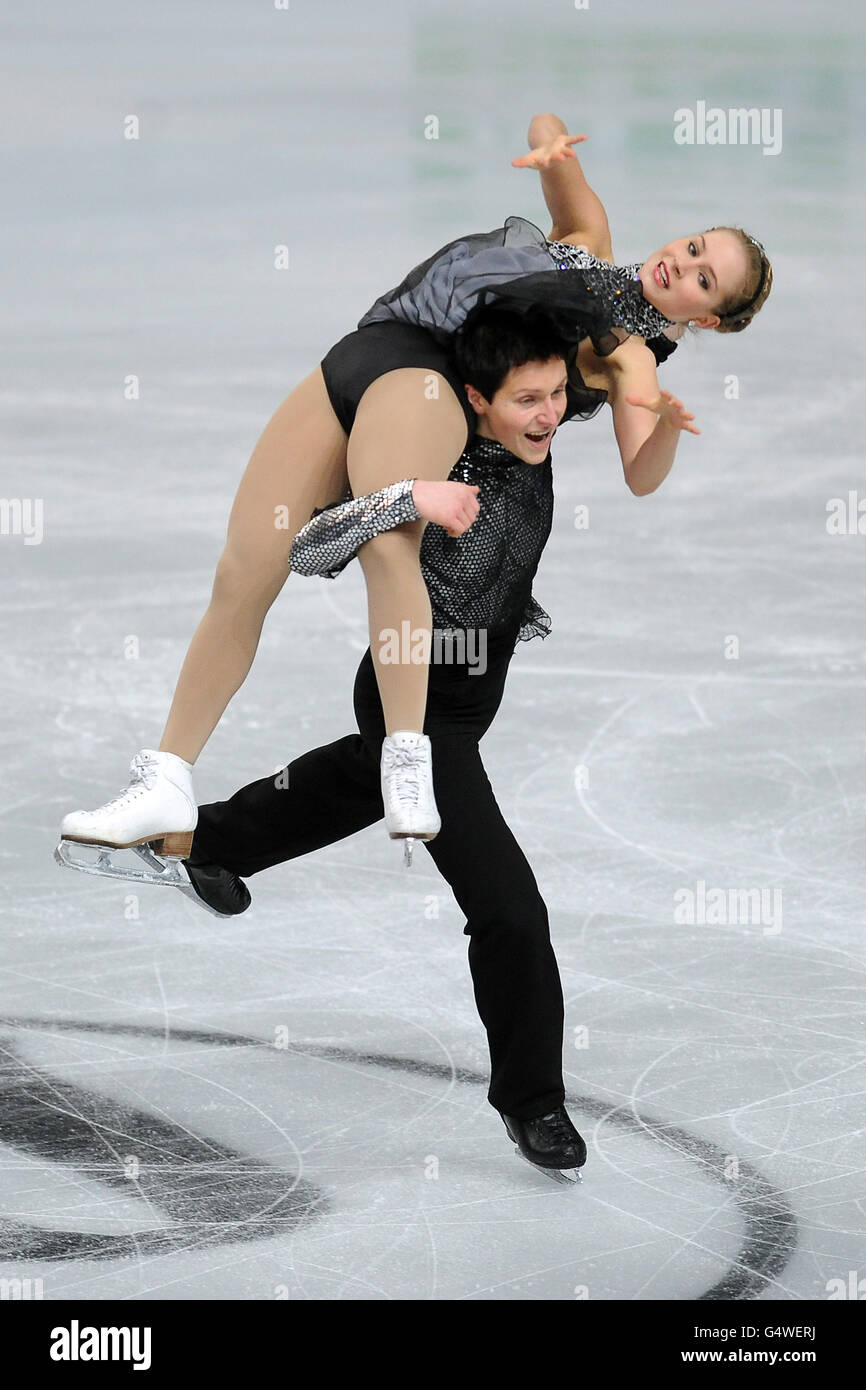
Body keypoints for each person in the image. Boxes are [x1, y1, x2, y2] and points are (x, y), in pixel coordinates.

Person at [57, 109, 771, 870]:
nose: (682, 264)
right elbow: (552, 143)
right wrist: (551, 145)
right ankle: (167, 776)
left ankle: (405, 753)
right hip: (378, 342)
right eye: (694, 247)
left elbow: (640, 474)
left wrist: (660, 426)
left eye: (704, 279)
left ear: (714, 322)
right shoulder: (588, 237)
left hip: (433, 390)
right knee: (244, 572)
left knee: (387, 538)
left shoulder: (632, 359)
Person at [176, 306, 692, 1178]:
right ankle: (535, 1102)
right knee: (508, 907)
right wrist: (411, 496)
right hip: (414, 695)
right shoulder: (431, 456)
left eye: (557, 396)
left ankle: (212, 841)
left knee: (359, 777)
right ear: (472, 401)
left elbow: (623, 366)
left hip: (477, 682)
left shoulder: (539, 409)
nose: (547, 413)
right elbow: (312, 545)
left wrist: (657, 405)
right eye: (526, 399)